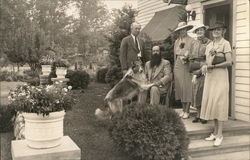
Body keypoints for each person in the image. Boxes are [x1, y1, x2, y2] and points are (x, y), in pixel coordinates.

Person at [200, 21, 233, 146]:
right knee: (213, 103)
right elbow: (207, 61)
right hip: (210, 78)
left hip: (220, 77)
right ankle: (214, 132)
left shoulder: (226, 44)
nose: (216, 31)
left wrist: (214, 66)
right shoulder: (209, 45)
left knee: (220, 104)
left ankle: (220, 134)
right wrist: (204, 66)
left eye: (219, 29)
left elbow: (229, 62)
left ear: (223, 31)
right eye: (214, 30)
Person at [189, 24, 211, 124]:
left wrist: (202, 67)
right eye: (197, 31)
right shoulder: (194, 43)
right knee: (196, 93)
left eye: (201, 30)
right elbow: (191, 56)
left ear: (204, 31)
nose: (199, 32)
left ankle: (204, 116)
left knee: (203, 93)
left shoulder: (209, 43)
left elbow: (209, 58)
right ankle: (198, 115)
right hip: (194, 67)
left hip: (204, 68)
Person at [174, 22, 194, 119]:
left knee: (187, 87)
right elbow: (176, 55)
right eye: (180, 30)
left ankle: (187, 110)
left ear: (186, 29)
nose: (182, 31)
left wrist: (187, 58)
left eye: (184, 29)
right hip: (178, 65)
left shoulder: (191, 40)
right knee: (180, 87)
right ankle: (183, 109)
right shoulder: (177, 41)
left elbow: (193, 54)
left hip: (187, 64)